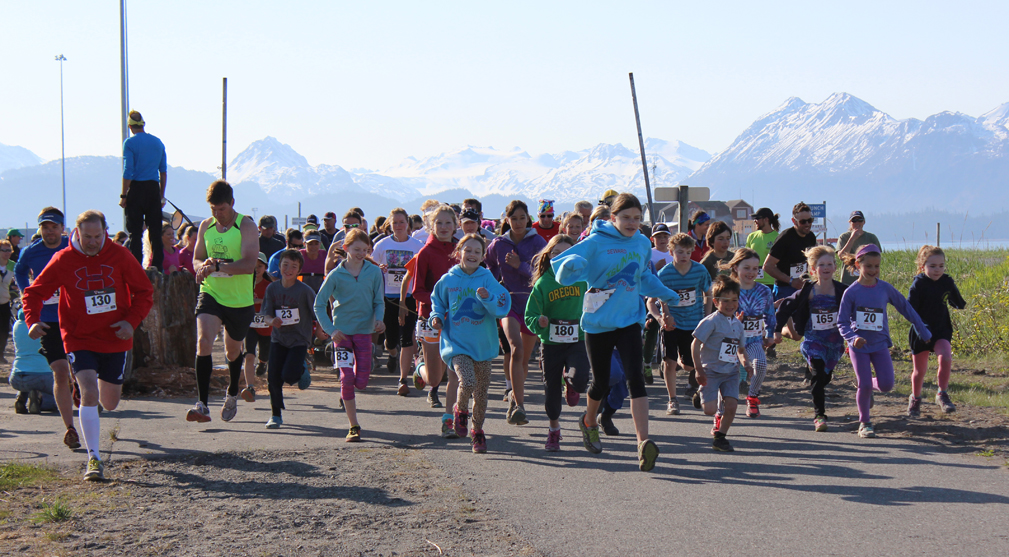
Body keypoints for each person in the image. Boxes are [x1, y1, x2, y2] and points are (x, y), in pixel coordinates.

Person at [23, 210, 154, 481]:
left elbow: (144, 292)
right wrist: (32, 321)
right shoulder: (63, 259)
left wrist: (131, 321)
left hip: (115, 336)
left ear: (106, 231)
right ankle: (93, 458)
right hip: (78, 336)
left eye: (98, 236)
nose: (93, 242)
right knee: (89, 393)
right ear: (76, 233)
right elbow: (34, 293)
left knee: (110, 402)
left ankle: (89, 405)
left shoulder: (120, 255)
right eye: (87, 237)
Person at [552, 193, 679, 471]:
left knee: (636, 379)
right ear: (613, 218)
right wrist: (571, 266)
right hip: (599, 322)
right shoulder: (595, 242)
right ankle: (589, 421)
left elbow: (643, 278)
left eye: (637, 218)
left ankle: (643, 443)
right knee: (600, 382)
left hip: (629, 320)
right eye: (626, 218)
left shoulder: (642, 243)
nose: (633, 223)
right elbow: (562, 270)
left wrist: (665, 293)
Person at [838, 244, 930, 439]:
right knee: (863, 384)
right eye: (869, 266)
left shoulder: (885, 288)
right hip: (859, 346)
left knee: (887, 384)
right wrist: (853, 339)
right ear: (858, 264)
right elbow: (842, 322)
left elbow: (906, 308)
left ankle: (868, 386)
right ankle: (865, 422)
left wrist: (923, 330)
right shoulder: (851, 292)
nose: (873, 270)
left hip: (880, 344)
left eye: (877, 266)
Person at [186, 180, 259, 424]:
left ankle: (231, 393)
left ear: (232, 204)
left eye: (222, 209)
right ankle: (202, 404)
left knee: (232, 350)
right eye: (213, 210)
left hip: (239, 300)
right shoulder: (206, 226)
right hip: (212, 293)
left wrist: (219, 265)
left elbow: (249, 264)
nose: (218, 214)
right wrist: (202, 267)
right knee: (204, 341)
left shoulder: (246, 226)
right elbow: (196, 259)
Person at [431, 233, 510, 453]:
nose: (472, 255)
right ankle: (460, 411)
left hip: (482, 345)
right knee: (467, 381)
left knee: (482, 394)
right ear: (459, 253)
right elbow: (436, 302)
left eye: (477, 251)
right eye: (468, 250)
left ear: (483, 256)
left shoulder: (486, 278)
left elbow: (501, 305)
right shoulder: (448, 280)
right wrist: (435, 318)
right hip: (457, 344)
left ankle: (477, 432)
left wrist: (488, 298)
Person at [314, 229, 385, 441]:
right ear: (345, 249)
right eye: (356, 249)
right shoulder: (335, 275)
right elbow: (318, 305)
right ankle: (353, 425)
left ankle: (351, 387)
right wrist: (331, 330)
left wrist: (379, 320)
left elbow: (378, 301)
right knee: (347, 379)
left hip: (364, 332)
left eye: (365, 250)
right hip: (341, 335)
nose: (361, 253)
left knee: (361, 381)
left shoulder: (373, 273)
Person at [15, 207, 76, 448]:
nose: (49, 232)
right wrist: (25, 292)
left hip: (74, 316)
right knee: (60, 371)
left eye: (54, 227)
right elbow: (19, 270)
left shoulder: (72, 247)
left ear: (63, 228)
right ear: (40, 230)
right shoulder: (32, 252)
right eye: (45, 228)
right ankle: (69, 426)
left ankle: (83, 392)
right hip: (48, 318)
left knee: (79, 368)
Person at [486, 200, 548, 426]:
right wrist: (495, 286)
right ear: (507, 220)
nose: (519, 222)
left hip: (531, 303)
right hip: (508, 303)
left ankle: (514, 398)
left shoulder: (538, 241)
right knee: (515, 349)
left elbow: (542, 271)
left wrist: (519, 265)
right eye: (514, 218)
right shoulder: (499, 244)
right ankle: (519, 405)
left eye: (522, 218)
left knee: (523, 358)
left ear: (528, 219)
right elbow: (488, 265)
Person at [525, 234, 589, 451]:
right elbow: (530, 316)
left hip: (578, 339)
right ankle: (554, 430)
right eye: (556, 253)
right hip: (551, 343)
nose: (561, 257)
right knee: (551, 391)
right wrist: (539, 322)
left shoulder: (584, 278)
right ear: (548, 256)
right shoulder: (543, 283)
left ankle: (570, 381)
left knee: (580, 380)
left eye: (566, 253)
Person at [774, 245, 848, 432]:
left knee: (825, 376)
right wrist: (775, 330)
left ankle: (819, 380)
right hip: (813, 340)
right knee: (817, 374)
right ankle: (820, 415)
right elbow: (786, 306)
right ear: (813, 269)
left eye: (829, 264)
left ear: (835, 267)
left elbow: (857, 308)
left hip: (834, 342)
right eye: (821, 264)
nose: (825, 268)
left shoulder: (842, 291)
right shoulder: (808, 291)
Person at [691, 275, 754, 452]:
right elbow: (695, 344)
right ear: (716, 301)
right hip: (709, 371)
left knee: (732, 406)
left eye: (734, 300)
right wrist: (698, 370)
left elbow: (740, 350)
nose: (730, 305)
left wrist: (747, 364)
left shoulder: (738, 325)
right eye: (725, 301)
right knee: (709, 410)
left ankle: (720, 438)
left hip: (730, 372)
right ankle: (700, 394)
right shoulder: (711, 321)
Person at [652, 233, 712, 414]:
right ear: (671, 252)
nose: (684, 256)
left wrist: (707, 319)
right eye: (680, 252)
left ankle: (681, 359)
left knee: (689, 365)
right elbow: (655, 299)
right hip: (672, 324)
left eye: (687, 252)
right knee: (669, 363)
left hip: (694, 322)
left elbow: (708, 295)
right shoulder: (665, 274)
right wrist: (663, 318)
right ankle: (672, 400)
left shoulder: (700, 271)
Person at [410, 205, 458, 417]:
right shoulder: (425, 253)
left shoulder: (461, 250)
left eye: (448, 222)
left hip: (458, 319)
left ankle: (455, 414)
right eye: (439, 223)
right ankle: (419, 366)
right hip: (430, 319)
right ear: (431, 226)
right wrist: (439, 304)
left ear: (455, 225)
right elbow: (417, 291)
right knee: (434, 378)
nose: (444, 227)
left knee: (457, 370)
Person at [261, 249, 317, 429]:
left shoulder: (305, 291)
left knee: (289, 375)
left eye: (294, 266)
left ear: (299, 270)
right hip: (278, 339)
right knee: (273, 378)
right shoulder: (272, 288)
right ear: (279, 266)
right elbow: (266, 314)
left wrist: (323, 330)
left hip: (299, 339)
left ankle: (301, 369)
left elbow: (317, 311)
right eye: (285, 265)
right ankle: (275, 414)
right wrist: (272, 321)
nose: (289, 269)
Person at [907, 246, 967, 416]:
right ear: (922, 266)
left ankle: (942, 394)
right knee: (919, 371)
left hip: (941, 329)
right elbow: (910, 310)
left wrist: (958, 302)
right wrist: (922, 329)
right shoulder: (918, 283)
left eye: (941, 266)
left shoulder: (946, 281)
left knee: (946, 358)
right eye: (932, 266)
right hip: (921, 331)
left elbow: (957, 301)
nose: (937, 270)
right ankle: (916, 399)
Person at [372, 208, 424, 395]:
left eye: (401, 222)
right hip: (388, 296)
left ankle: (403, 380)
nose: (398, 226)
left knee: (407, 337)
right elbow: (371, 265)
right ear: (389, 225)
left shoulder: (417, 246)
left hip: (409, 297)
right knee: (391, 340)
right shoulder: (382, 245)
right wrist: (380, 267)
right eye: (395, 222)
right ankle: (392, 354)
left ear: (408, 224)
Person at [721, 248, 776, 418]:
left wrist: (770, 333)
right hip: (729, 341)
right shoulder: (728, 289)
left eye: (755, 268)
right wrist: (732, 319)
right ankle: (719, 412)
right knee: (726, 376)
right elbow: (716, 315)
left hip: (753, 340)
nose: (751, 272)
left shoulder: (764, 291)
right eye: (747, 268)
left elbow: (769, 314)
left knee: (760, 365)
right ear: (736, 267)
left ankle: (752, 397)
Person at [120, 110, 168, 271]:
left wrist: (124, 194)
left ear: (130, 126)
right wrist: (162, 195)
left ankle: (136, 267)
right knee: (155, 231)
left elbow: (128, 171)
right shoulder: (157, 142)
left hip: (137, 188)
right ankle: (157, 267)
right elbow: (163, 171)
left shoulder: (130, 143)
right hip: (153, 188)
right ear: (143, 124)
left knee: (135, 233)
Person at [762, 202, 817, 301]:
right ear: (794, 221)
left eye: (810, 220)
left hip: (803, 287)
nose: (807, 224)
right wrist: (790, 281)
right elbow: (767, 266)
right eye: (803, 222)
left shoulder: (811, 237)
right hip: (785, 289)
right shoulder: (785, 237)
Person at [9, 309, 58, 414]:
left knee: (28, 378)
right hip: (44, 376)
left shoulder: (16, 325)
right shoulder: (47, 326)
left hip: (17, 376)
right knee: (52, 400)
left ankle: (22, 395)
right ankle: (40, 400)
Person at [244, 252, 273, 391]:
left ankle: (263, 363)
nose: (257, 269)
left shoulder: (269, 286)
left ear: (265, 267)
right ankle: (249, 386)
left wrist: (259, 301)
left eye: (260, 266)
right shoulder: (242, 283)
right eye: (253, 265)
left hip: (265, 325)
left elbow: (274, 303)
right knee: (249, 355)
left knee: (265, 354)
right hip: (249, 324)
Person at [837, 211, 882, 285]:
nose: (857, 223)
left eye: (860, 220)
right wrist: (852, 238)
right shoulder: (844, 237)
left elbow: (877, 259)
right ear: (850, 223)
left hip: (868, 280)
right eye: (854, 221)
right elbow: (841, 256)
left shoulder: (871, 237)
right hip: (848, 281)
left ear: (864, 222)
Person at [745, 207, 780, 288]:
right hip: (753, 281)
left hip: (771, 282)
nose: (755, 220)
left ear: (766, 219)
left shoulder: (777, 237)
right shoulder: (752, 236)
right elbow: (745, 257)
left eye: (757, 218)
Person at [0, 239, 15, 361]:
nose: (7, 252)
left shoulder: (12, 265)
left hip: (4, 302)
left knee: (4, 330)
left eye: (9, 250)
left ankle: (1, 354)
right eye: (4, 250)